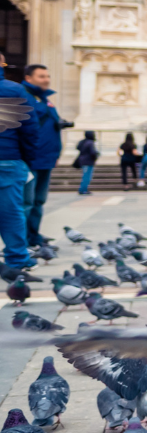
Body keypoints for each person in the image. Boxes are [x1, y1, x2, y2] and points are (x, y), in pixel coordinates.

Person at [18, 65, 62, 245]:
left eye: (48, 76)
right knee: (26, 202)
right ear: (28, 78)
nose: (46, 80)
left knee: (38, 201)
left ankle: (34, 236)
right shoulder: (24, 97)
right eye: (42, 76)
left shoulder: (45, 100)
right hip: (30, 158)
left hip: (46, 158)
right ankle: (22, 240)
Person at [0, 54, 32, 272]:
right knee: (11, 212)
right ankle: (17, 259)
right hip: (7, 159)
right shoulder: (13, 89)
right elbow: (29, 129)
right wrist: (26, 158)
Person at [72, 132, 98, 196]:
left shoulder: (83, 142)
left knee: (85, 175)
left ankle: (83, 189)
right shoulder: (90, 142)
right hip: (88, 161)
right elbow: (92, 152)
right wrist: (95, 157)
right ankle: (83, 189)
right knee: (87, 176)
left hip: (82, 160)